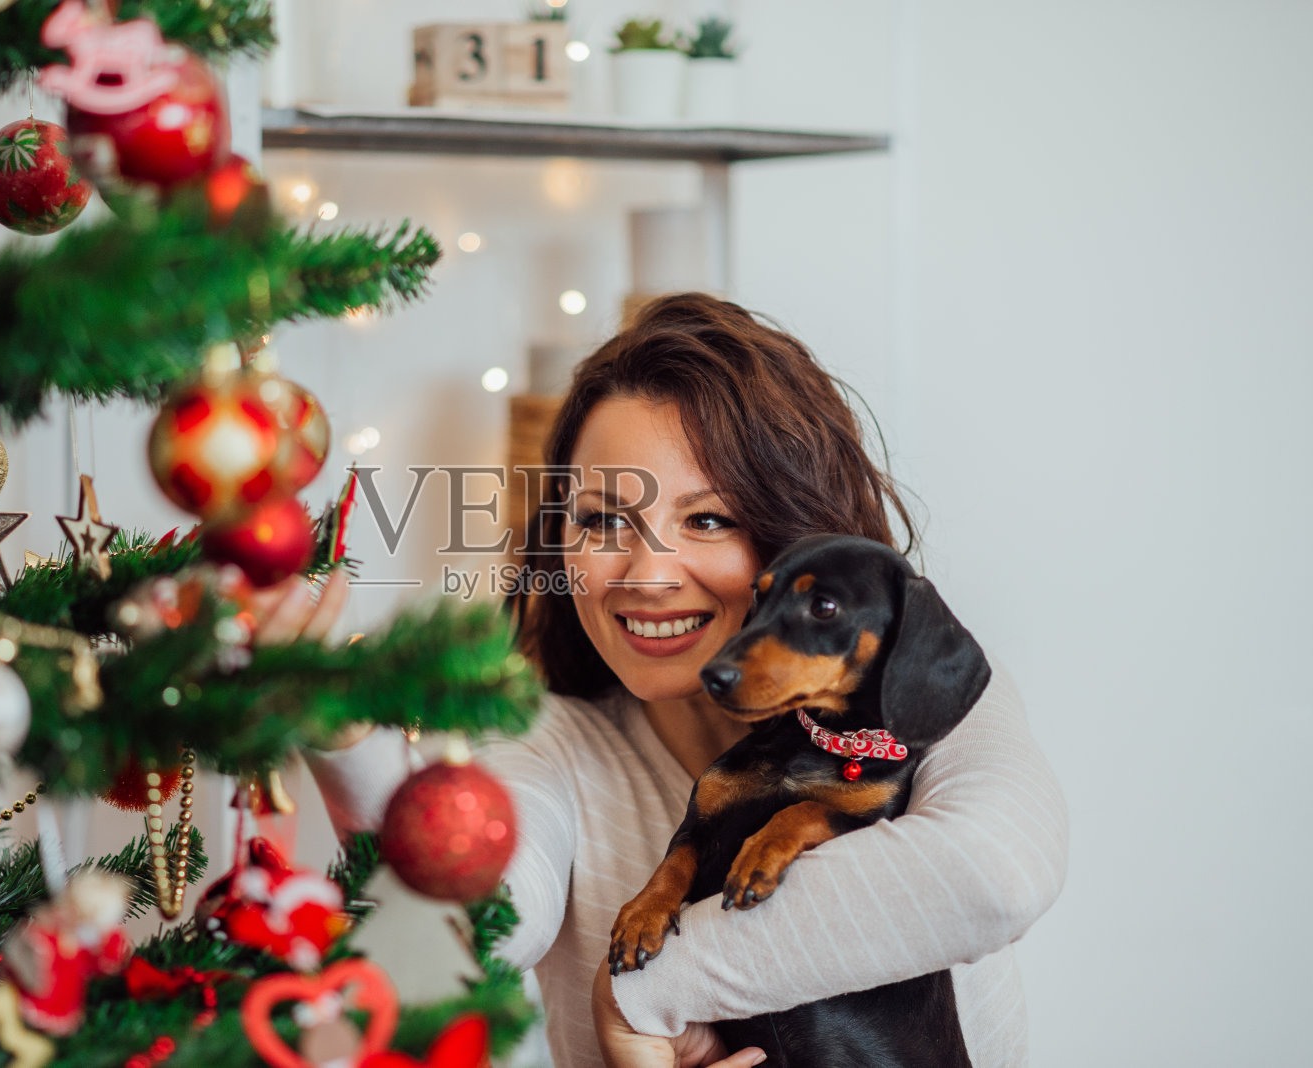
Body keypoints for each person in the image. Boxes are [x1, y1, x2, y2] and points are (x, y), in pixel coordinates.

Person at [266, 293, 1069, 1068]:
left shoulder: (925, 690)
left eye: (708, 519)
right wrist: (344, 736)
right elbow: (465, 935)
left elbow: (993, 875)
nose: (647, 577)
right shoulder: (546, 743)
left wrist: (642, 992)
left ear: (796, 538)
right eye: (601, 520)